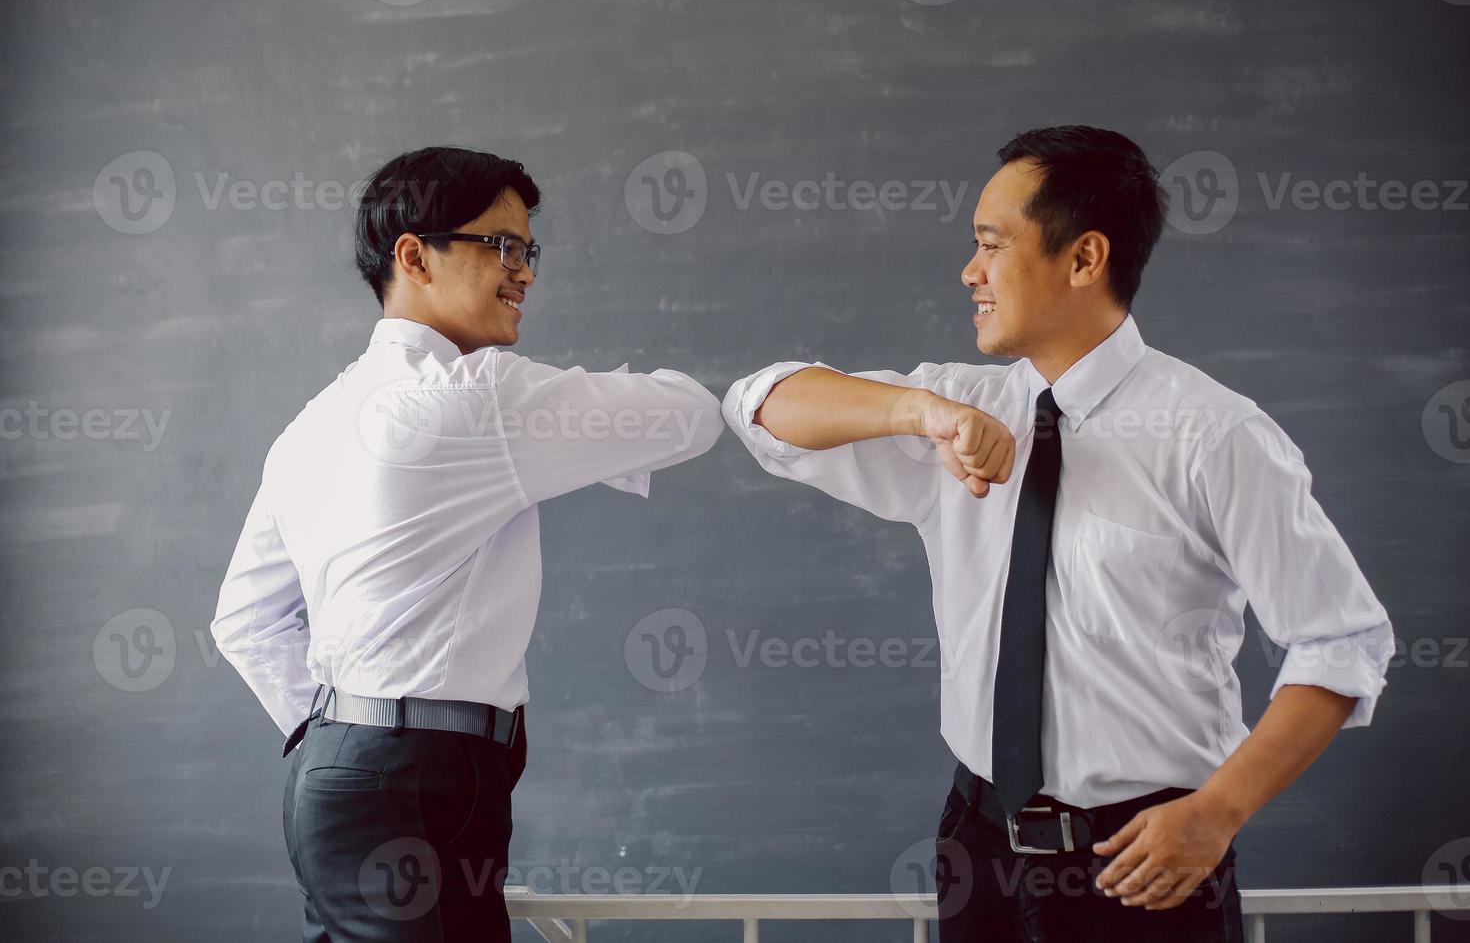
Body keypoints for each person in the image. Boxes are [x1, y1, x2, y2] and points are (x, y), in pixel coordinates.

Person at [721, 125, 1393, 942]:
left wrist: (1218, 812)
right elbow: (759, 407)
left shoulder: (1216, 435)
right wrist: (919, 411)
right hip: (976, 844)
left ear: (1083, 260)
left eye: (991, 245)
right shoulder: (957, 410)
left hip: (1142, 856)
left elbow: (1343, 641)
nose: (969, 272)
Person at [212, 146, 724, 941]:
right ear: (414, 255)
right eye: (503, 246)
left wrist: (350, 739)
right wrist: (398, 751)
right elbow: (689, 414)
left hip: (342, 780)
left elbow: (245, 620)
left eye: (529, 250)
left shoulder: (312, 422)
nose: (525, 273)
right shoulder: (475, 395)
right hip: (422, 783)